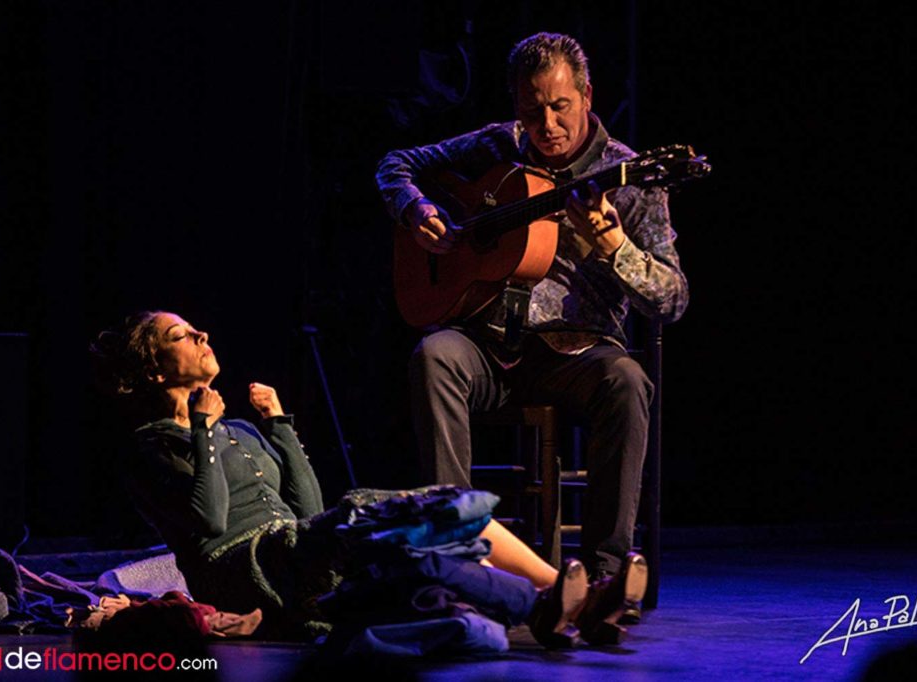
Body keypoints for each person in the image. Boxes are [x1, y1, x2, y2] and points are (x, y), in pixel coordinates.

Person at [90, 310, 647, 648]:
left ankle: (571, 596)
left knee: (433, 519)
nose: (202, 334)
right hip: (248, 571)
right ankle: (564, 599)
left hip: (299, 547)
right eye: (181, 335)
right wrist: (204, 426)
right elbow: (209, 519)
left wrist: (280, 425)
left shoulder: (238, 428)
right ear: (156, 370)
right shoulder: (150, 447)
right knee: (406, 518)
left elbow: (306, 508)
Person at [376, 32, 688, 597]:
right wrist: (414, 206)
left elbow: (672, 298)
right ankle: (456, 553)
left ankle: (605, 576)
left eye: (559, 106)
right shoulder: (500, 144)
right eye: (531, 109)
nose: (545, 124)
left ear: (587, 95)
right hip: (487, 344)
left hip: (576, 351)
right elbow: (395, 164)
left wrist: (618, 252)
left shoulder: (633, 177)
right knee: (434, 355)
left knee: (627, 380)